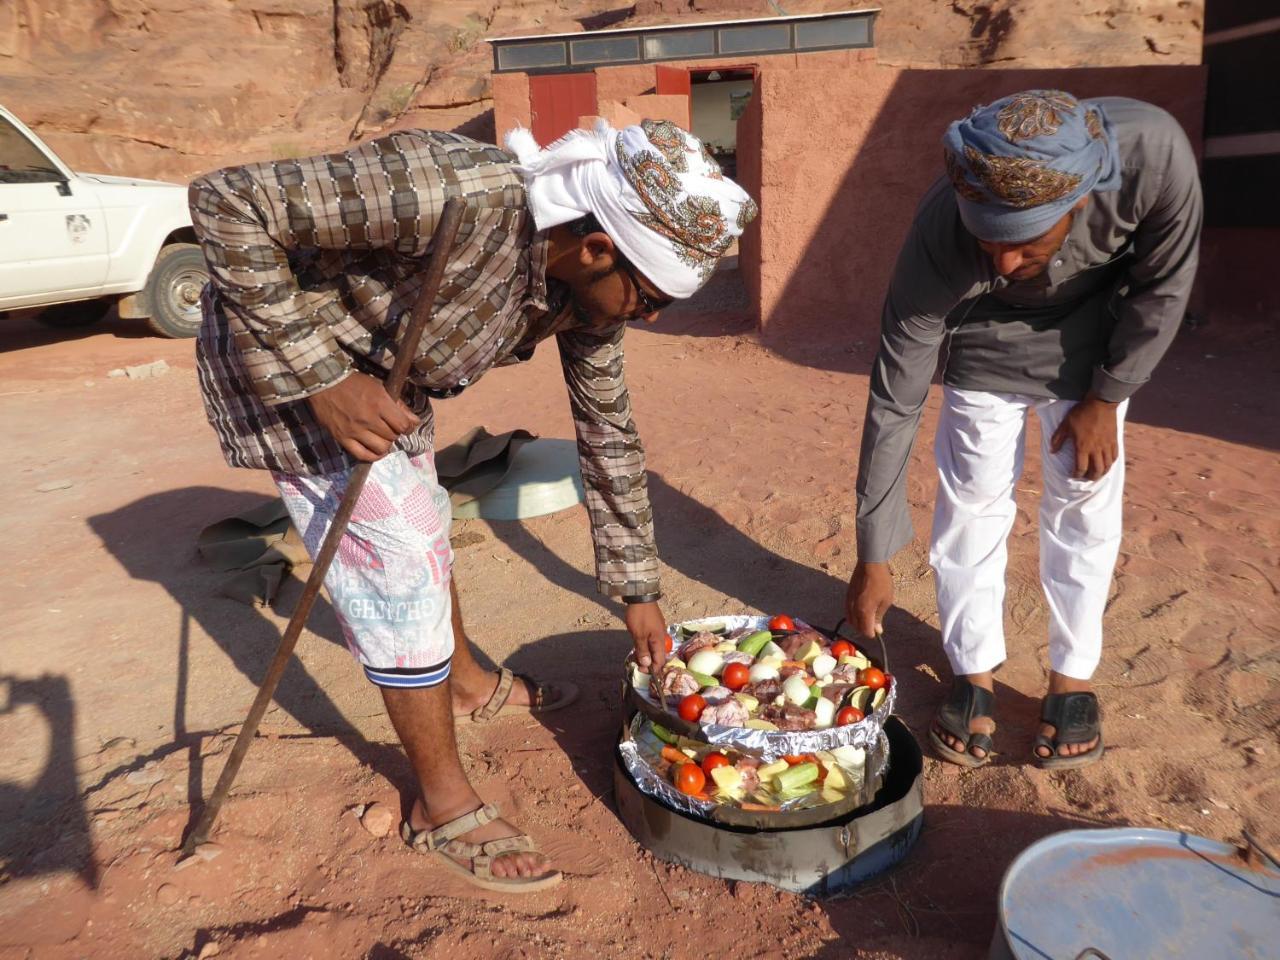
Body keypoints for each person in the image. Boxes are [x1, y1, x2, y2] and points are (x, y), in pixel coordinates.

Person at [188, 119, 756, 890]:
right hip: (290, 358)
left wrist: (636, 590)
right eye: (648, 297)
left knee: (424, 526)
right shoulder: (448, 187)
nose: (648, 317)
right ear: (596, 247)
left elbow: (608, 432)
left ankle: (464, 682)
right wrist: (323, 378)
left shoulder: (582, 295)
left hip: (386, 377)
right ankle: (440, 804)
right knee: (400, 563)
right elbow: (225, 203)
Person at [846, 90, 1201, 770]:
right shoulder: (941, 237)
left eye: (1024, 243)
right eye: (989, 242)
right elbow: (896, 396)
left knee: (1082, 503)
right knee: (973, 503)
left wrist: (1108, 394)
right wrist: (874, 553)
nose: (1003, 263)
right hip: (985, 338)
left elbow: (1164, 284)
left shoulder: (1154, 156)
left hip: (1095, 343)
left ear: (1079, 205)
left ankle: (1072, 680)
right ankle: (972, 671)